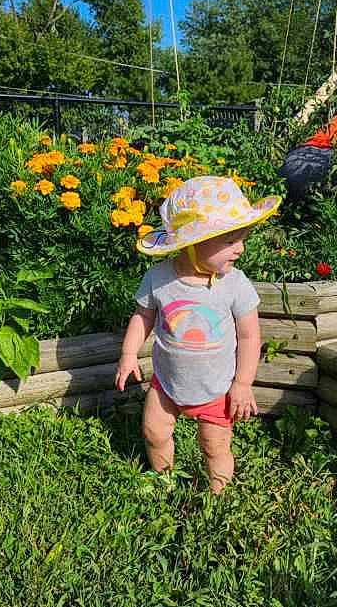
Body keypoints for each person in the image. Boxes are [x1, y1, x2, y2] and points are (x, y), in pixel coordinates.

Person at [115, 175, 281, 494]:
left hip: (217, 388)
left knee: (214, 446)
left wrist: (243, 384)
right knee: (154, 431)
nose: (240, 249)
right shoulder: (159, 277)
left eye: (242, 238)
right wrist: (128, 354)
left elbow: (249, 336)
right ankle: (164, 482)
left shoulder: (235, 283)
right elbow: (143, 316)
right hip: (167, 383)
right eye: (229, 240)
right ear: (194, 242)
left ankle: (218, 499)